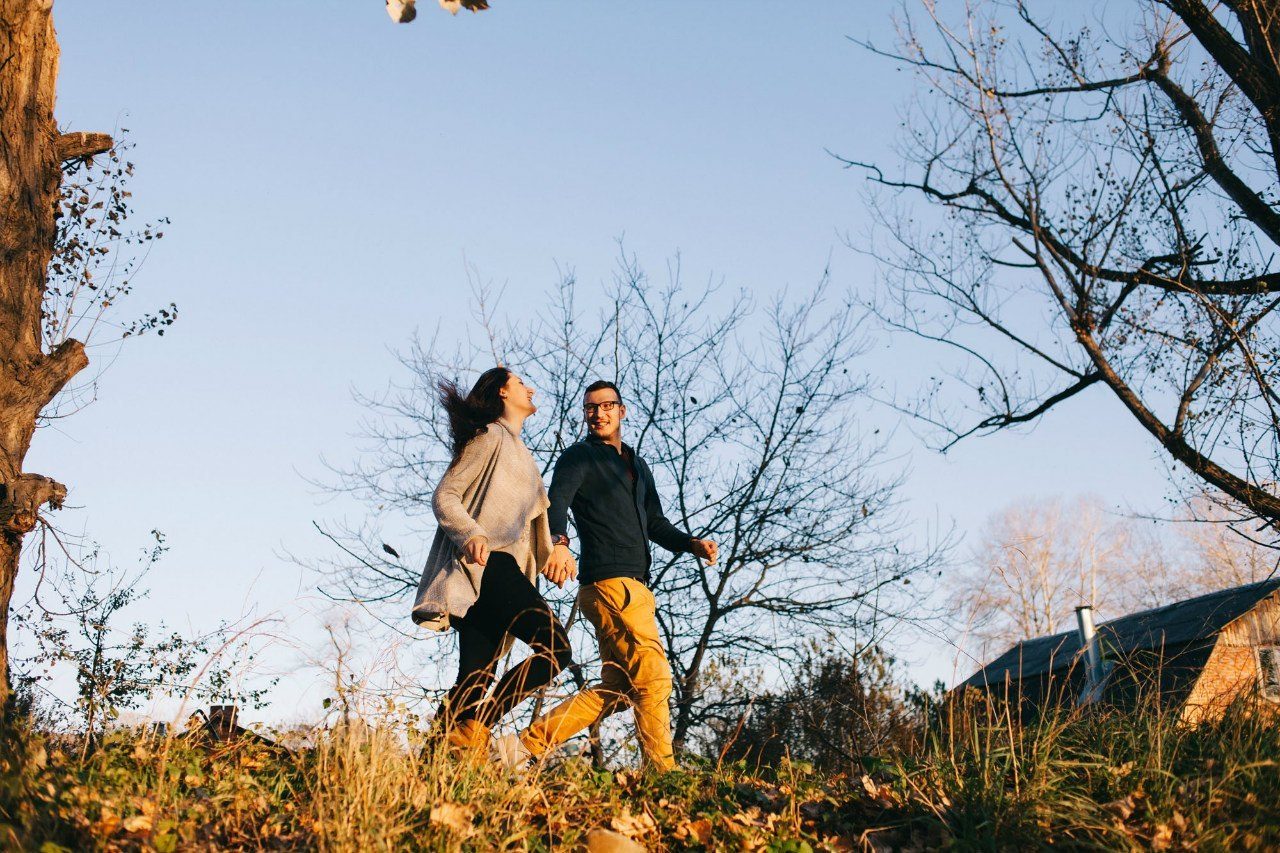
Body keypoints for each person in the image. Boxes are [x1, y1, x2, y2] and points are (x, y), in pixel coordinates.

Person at [500, 380, 717, 770]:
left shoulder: (636, 465)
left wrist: (692, 544)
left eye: (606, 406)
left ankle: (524, 747)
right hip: (610, 584)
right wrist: (559, 543)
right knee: (653, 680)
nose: (598, 413)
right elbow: (557, 504)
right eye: (590, 408)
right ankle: (663, 776)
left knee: (620, 689)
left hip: (635, 587)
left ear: (622, 411)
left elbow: (655, 522)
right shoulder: (579, 457)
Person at [411, 366, 576, 752]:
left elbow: (532, 531)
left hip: (503, 571)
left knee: (473, 679)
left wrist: (556, 556)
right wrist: (471, 534)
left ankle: (429, 770)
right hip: (487, 568)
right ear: (503, 392)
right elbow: (446, 496)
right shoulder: (488, 437)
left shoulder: (527, 460)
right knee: (556, 649)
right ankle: (479, 727)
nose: (530, 388)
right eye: (521, 382)